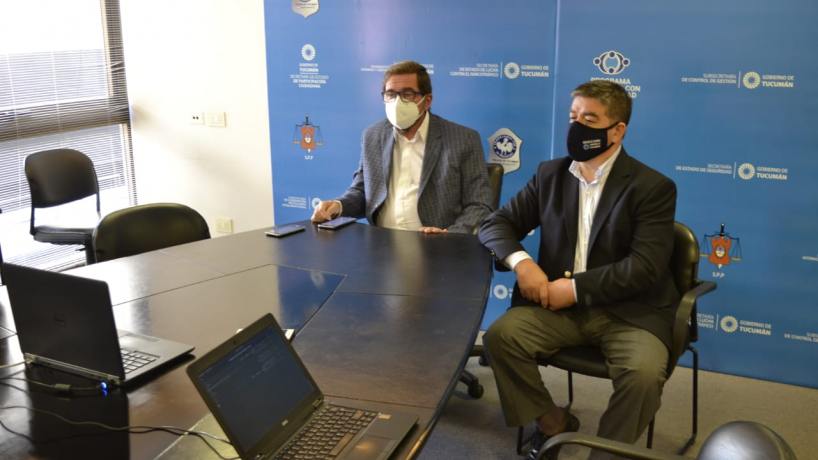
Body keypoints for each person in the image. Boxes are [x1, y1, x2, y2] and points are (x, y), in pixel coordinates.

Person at [479, 80, 679, 460]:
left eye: (590, 119)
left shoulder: (652, 187)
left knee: (643, 375)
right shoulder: (550, 175)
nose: (577, 127)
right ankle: (552, 423)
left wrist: (572, 289)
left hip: (628, 313)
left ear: (617, 130)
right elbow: (495, 224)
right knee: (501, 338)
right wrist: (523, 264)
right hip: (557, 312)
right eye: (573, 117)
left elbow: (644, 267)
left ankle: (604, 454)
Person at [311, 60, 492, 234]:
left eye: (407, 94)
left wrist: (450, 235)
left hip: (437, 245)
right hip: (380, 242)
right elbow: (362, 192)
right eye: (390, 94)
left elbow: (480, 205)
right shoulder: (372, 136)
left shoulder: (463, 139)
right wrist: (338, 206)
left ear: (427, 100)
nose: (397, 102)